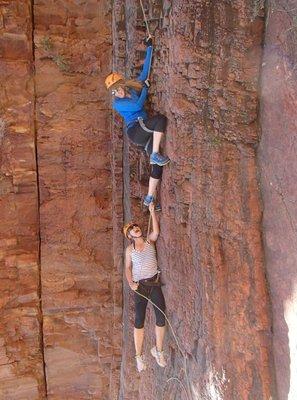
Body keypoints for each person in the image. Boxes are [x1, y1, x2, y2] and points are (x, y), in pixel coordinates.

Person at [105, 37, 170, 208]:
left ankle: (150, 199)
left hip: (144, 132)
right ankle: (155, 153)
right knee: (160, 120)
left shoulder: (132, 88)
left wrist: (149, 48)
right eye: (113, 92)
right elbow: (137, 104)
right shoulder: (118, 104)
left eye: (117, 88)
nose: (117, 92)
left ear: (121, 84)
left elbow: (145, 71)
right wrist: (146, 89)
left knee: (156, 166)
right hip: (136, 130)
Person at [123, 203, 167, 372]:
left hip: (154, 283)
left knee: (161, 317)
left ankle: (158, 350)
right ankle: (139, 357)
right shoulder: (129, 250)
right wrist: (130, 283)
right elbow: (127, 268)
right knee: (139, 321)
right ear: (129, 235)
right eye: (132, 228)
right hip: (140, 286)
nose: (136, 228)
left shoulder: (149, 241)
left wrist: (152, 213)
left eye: (136, 226)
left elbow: (156, 232)